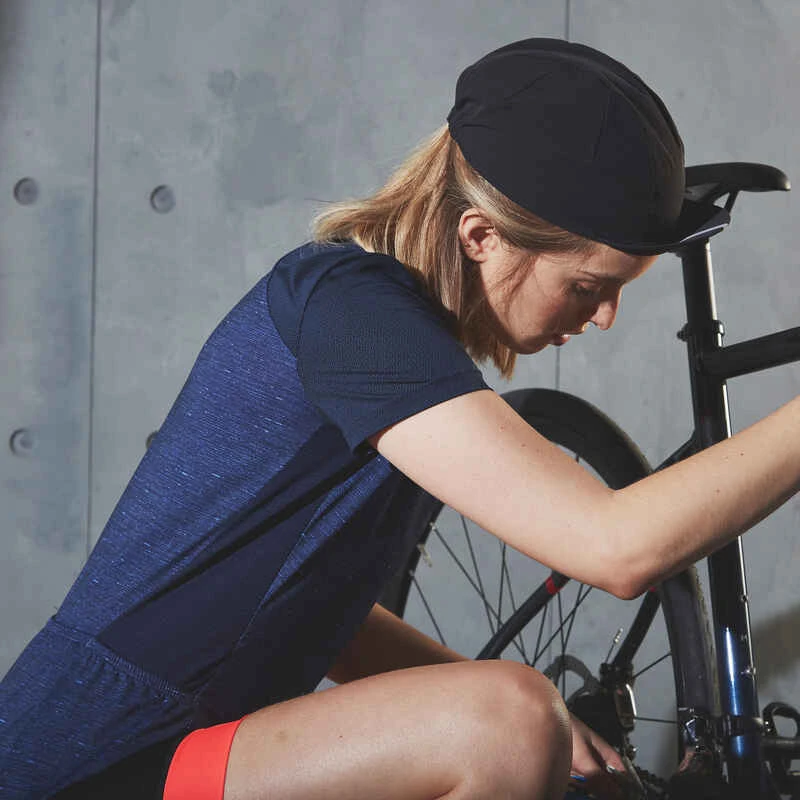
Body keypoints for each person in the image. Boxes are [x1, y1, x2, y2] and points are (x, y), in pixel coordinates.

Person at [0, 36, 797, 800]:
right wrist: (520, 725)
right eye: (588, 287)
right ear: (480, 237)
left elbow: (325, 617)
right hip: (99, 760)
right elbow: (616, 549)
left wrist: (544, 726)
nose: (605, 316)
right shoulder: (351, 315)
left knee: (522, 721)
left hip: (187, 744)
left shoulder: (392, 334)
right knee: (510, 723)